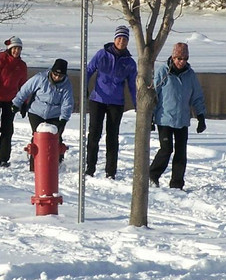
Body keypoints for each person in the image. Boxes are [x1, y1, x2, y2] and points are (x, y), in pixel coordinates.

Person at [148, 42, 207, 190]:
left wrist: (200, 117)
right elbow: (154, 94)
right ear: (173, 57)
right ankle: (152, 175)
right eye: (179, 58)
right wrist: (150, 117)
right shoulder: (163, 71)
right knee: (166, 149)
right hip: (165, 118)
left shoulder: (190, 74)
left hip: (182, 120)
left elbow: (197, 96)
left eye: (184, 59)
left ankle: (177, 183)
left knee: (181, 153)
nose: (181, 62)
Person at [84, 25, 138, 179]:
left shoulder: (129, 62)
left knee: (112, 136)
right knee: (94, 134)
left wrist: (136, 105)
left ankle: (110, 171)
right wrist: (85, 88)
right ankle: (90, 168)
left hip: (116, 103)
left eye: (125, 39)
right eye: (119, 38)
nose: (121, 41)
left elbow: (133, 86)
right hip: (98, 100)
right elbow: (88, 70)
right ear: (114, 39)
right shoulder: (102, 54)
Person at [14, 59, 75, 167]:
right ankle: (35, 164)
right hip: (36, 112)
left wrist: (64, 119)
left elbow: (67, 103)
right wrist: (16, 103)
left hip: (54, 115)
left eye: (60, 76)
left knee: (56, 137)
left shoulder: (66, 85)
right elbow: (25, 90)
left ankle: (56, 163)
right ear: (51, 71)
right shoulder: (40, 78)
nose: (57, 77)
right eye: (55, 74)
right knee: (38, 136)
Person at [0, 36, 28, 167]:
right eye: (14, 49)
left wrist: (24, 102)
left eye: (19, 49)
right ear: (10, 49)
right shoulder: (0, 61)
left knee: (7, 130)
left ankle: (4, 158)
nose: (16, 51)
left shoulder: (22, 65)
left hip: (11, 100)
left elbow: (23, 86)